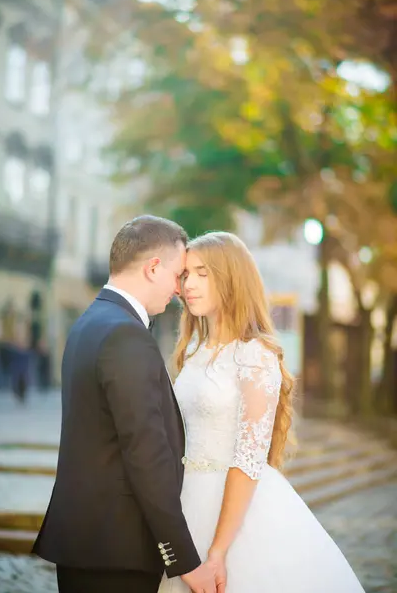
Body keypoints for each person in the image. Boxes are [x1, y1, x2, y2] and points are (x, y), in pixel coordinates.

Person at [158, 231, 365, 593]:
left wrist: (218, 551)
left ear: (232, 279)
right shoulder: (194, 349)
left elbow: (248, 460)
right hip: (185, 498)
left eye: (203, 273)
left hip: (235, 508)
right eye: (186, 274)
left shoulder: (255, 355)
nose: (189, 284)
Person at [32, 216, 219, 593]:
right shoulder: (124, 335)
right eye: (178, 274)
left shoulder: (90, 321)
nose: (180, 290)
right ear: (153, 268)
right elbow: (145, 452)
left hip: (90, 541)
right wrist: (183, 558)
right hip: (116, 549)